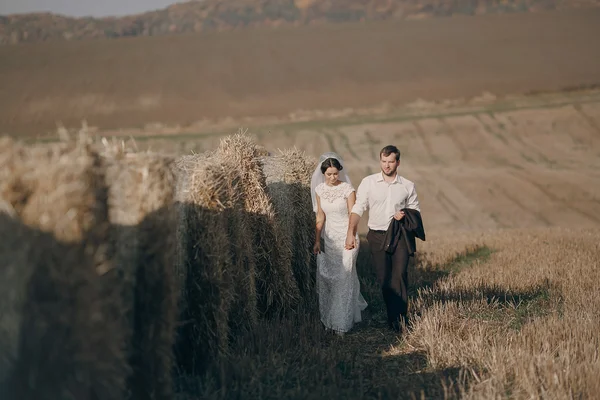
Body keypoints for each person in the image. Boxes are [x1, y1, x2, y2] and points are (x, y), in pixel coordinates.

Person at [345, 145, 422, 333]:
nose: (387, 165)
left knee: (400, 275)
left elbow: (415, 211)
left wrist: (404, 213)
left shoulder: (407, 185)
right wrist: (350, 231)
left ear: (398, 163)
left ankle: (400, 321)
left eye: (391, 162)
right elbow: (358, 208)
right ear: (380, 161)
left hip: (399, 235)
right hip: (377, 236)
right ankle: (393, 316)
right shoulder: (368, 182)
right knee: (385, 279)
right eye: (384, 161)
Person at [311, 152, 368, 336]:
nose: (333, 177)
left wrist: (350, 235)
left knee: (344, 277)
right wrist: (317, 240)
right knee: (332, 279)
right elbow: (320, 216)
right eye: (329, 174)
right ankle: (330, 319)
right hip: (330, 239)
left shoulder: (348, 189)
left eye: (336, 173)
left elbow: (354, 214)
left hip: (348, 238)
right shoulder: (319, 190)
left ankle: (341, 325)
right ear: (323, 173)